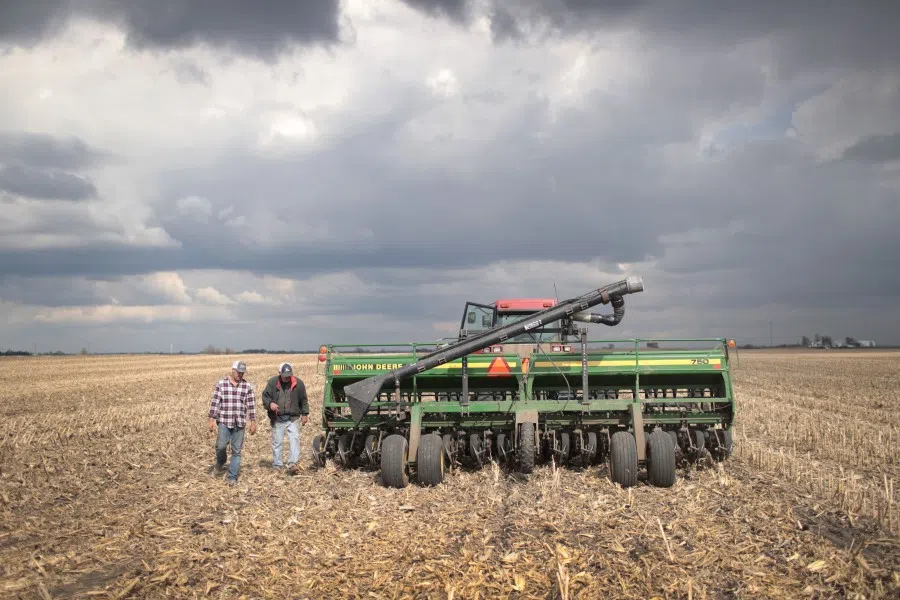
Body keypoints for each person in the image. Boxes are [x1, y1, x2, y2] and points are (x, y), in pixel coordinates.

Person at [208, 360, 257, 484]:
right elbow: (215, 403)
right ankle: (221, 462)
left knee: (237, 451)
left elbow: (251, 405)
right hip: (224, 421)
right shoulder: (221, 384)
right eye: (239, 372)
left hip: (239, 423)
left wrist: (253, 422)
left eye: (243, 373)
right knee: (221, 446)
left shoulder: (247, 386)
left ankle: (232, 477)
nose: (241, 375)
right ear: (233, 370)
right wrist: (211, 419)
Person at [262, 362, 309, 472]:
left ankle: (293, 464)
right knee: (277, 442)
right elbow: (265, 397)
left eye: (289, 375)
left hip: (293, 417)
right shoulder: (272, 382)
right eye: (285, 376)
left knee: (294, 439)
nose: (287, 378)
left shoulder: (299, 383)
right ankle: (277, 465)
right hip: (278, 417)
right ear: (280, 373)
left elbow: (304, 399)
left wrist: (305, 414)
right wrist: (270, 405)